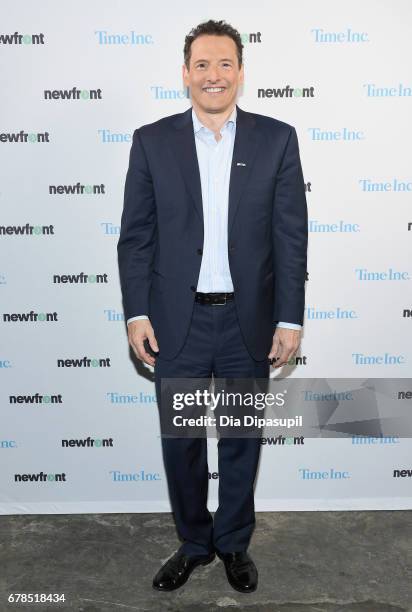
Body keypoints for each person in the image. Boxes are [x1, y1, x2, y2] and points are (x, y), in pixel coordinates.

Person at [117, 19, 308, 593]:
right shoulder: (152, 141)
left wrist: (290, 317)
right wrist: (136, 313)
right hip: (179, 322)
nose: (213, 75)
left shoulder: (278, 139)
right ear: (185, 74)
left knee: (242, 440)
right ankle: (194, 543)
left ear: (241, 73)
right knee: (182, 444)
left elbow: (289, 236)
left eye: (225, 63)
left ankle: (233, 544)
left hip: (248, 323)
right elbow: (136, 236)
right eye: (201, 64)